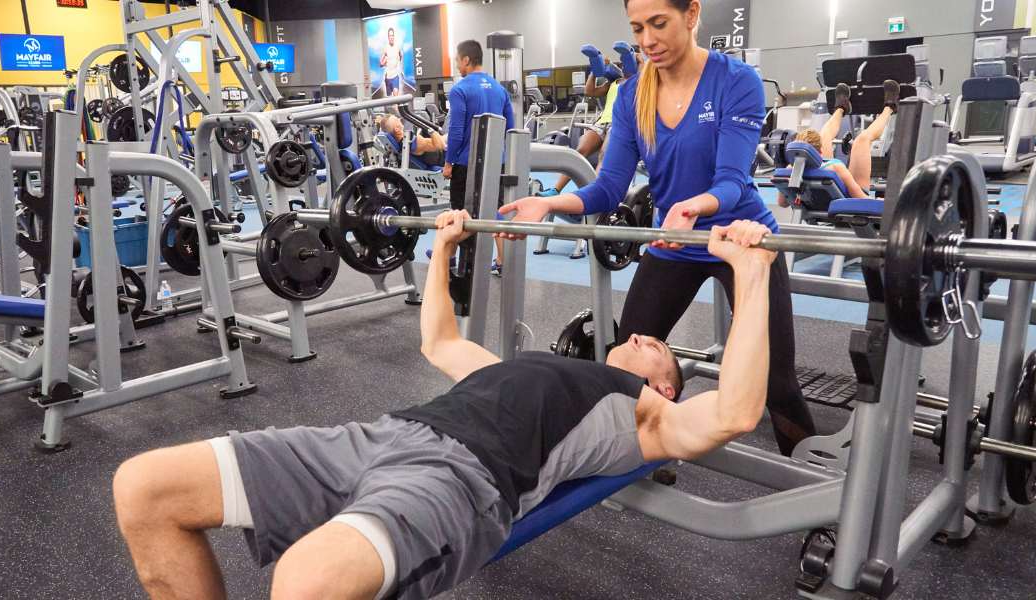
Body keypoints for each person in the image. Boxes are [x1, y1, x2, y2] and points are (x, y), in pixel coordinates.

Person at [112, 212, 777, 600]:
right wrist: (444, 250)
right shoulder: (528, 370)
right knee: (145, 489)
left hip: (460, 481)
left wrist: (751, 276)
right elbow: (440, 340)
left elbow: (735, 413)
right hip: (377, 437)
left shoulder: (641, 416)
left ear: (665, 387)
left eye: (655, 344)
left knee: (305, 580)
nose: (638, 333)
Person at [497, 0, 817, 456]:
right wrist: (549, 202)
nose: (647, 40)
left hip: (743, 242)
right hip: (675, 244)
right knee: (626, 370)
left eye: (659, 23)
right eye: (638, 27)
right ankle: (643, 459)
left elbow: (731, 181)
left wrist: (692, 206)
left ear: (691, 15)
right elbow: (609, 188)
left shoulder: (735, 81)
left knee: (776, 381)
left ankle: (813, 489)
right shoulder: (631, 95)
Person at [444, 39, 516, 275]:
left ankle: (458, 261)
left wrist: (448, 161)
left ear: (466, 60)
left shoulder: (460, 89)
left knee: (459, 212)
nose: (457, 65)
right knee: (497, 210)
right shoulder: (500, 89)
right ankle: (504, 262)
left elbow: (455, 131)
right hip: (497, 160)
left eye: (457, 60)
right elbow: (510, 128)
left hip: (466, 163)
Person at [776, 81, 900, 206]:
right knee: (862, 140)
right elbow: (860, 199)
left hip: (820, 202)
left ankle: (841, 108)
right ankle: (890, 107)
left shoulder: (790, 170)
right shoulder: (835, 168)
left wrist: (788, 187)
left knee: (824, 136)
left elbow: (782, 203)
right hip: (850, 204)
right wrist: (878, 201)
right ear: (819, 152)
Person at [542, 44, 643, 197]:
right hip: (602, 122)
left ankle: (593, 195)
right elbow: (590, 91)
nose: (624, 62)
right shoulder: (614, 82)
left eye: (629, 58)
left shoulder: (640, 82)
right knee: (579, 151)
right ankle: (555, 190)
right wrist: (595, 70)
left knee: (604, 155)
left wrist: (641, 62)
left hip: (620, 124)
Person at [381, 114, 447, 169]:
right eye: (396, 119)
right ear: (397, 129)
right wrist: (432, 131)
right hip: (445, 156)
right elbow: (440, 145)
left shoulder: (401, 143)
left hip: (440, 149)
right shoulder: (412, 142)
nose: (399, 119)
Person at [380, 27, 404, 97]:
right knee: (390, 102)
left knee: (396, 99)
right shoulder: (385, 48)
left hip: (395, 77)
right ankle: (392, 107)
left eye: (392, 35)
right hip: (388, 78)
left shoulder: (397, 47)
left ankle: (396, 107)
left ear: (394, 36)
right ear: (388, 37)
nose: (391, 37)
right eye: (390, 36)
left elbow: (400, 57)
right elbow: (380, 64)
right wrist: (385, 61)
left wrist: (399, 60)